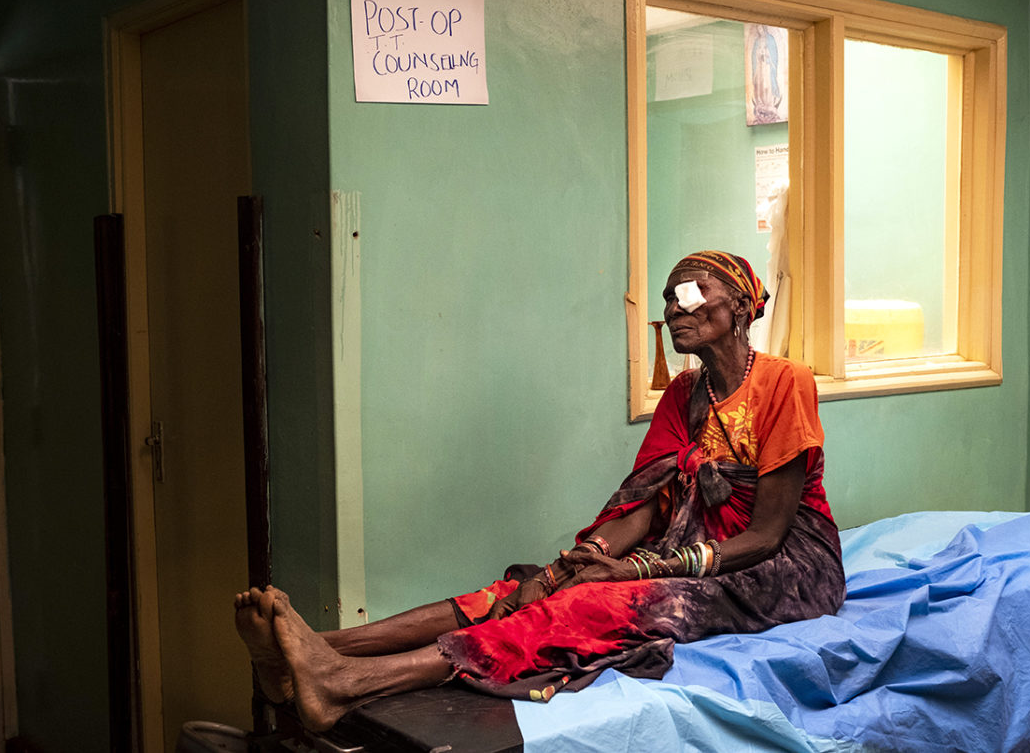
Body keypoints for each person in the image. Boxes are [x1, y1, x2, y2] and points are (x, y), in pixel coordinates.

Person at [235, 250, 845, 731]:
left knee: (593, 607)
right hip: (688, 553)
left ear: (738, 305)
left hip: (780, 569)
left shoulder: (784, 382)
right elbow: (643, 506)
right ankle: (313, 650)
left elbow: (766, 536)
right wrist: (572, 566)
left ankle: (347, 682)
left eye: (689, 293)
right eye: (667, 297)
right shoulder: (685, 394)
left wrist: (636, 571)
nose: (674, 307)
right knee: (520, 593)